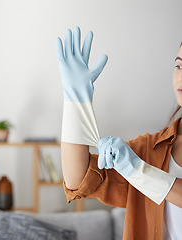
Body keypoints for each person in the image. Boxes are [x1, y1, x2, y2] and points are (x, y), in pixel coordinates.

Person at [55, 27, 182, 240]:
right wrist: (75, 100)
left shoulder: (139, 163)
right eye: (179, 66)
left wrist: (139, 172)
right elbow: (78, 179)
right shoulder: (150, 149)